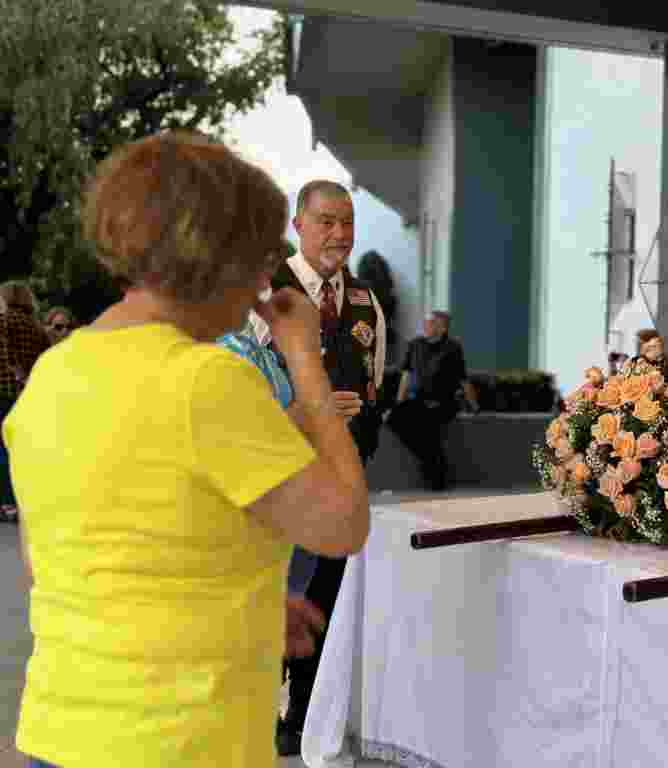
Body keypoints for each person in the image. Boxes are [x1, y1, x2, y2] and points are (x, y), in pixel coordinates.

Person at [3, 132, 369, 768]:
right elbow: (342, 524)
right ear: (209, 256)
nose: (264, 284)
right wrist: (306, 362)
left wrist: (237, 601)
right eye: (257, 259)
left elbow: (62, 558)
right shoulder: (208, 380)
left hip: (63, 731)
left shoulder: (54, 374)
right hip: (179, 742)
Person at [262, 179, 387, 756]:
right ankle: (262, 708)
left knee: (327, 602)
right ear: (298, 226)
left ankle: (306, 714)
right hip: (277, 480)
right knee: (277, 598)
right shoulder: (266, 294)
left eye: (347, 222)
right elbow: (237, 393)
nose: (339, 235)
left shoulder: (365, 301)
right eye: (326, 222)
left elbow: (375, 380)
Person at [387, 310, 479, 491]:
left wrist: (474, 405)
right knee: (393, 417)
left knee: (428, 428)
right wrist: (399, 401)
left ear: (443, 327)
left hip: (443, 403)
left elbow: (463, 379)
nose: (427, 326)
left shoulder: (453, 348)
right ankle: (430, 461)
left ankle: (437, 479)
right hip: (418, 401)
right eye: (426, 322)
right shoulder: (414, 345)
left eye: (432, 323)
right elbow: (406, 375)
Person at [0, 281, 50, 523]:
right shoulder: (36, 327)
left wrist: (14, 370)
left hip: (4, 391)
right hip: (28, 394)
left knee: (2, 449)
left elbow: (7, 354)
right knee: (19, 449)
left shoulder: (5, 321)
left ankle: (7, 503)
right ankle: (23, 502)